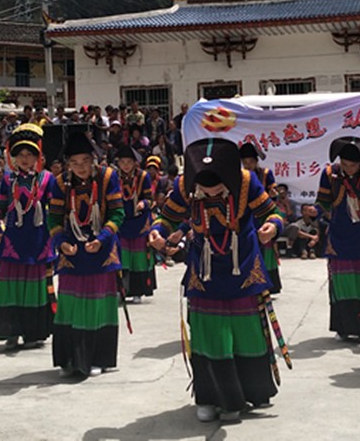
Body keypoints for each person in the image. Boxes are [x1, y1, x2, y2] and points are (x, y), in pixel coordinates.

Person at [149, 137, 285, 423]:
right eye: (205, 189)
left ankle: (249, 392)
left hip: (243, 267)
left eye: (217, 188)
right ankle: (211, 398)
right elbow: (167, 218)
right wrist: (158, 232)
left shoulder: (246, 182)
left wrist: (272, 227)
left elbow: (272, 213)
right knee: (209, 333)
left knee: (246, 332)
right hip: (204, 271)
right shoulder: (185, 185)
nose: (211, 193)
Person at [48, 131, 125, 378]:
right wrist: (61, 243)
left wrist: (102, 239)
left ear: (93, 160)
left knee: (98, 304)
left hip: (102, 250)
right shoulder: (60, 183)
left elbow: (118, 213)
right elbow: (53, 218)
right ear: (67, 164)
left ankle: (98, 358)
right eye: (74, 162)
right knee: (69, 305)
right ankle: (69, 359)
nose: (80, 167)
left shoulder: (108, 177)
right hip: (71, 252)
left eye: (85, 161)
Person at [0, 123, 61, 350]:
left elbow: (56, 208)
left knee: (35, 286)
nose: (24, 159)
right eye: (20, 154)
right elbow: (0, 207)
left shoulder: (47, 179)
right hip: (13, 240)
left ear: (37, 157)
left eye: (29, 154)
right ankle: (11, 332)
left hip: (39, 240)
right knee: (11, 286)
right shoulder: (8, 180)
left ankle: (33, 332)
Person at [315, 136, 360, 340]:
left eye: (353, 165)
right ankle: (344, 327)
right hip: (340, 235)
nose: (348, 169)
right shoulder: (330, 174)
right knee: (342, 282)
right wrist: (314, 211)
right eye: (344, 164)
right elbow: (323, 202)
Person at [239, 142, 282, 294]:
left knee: (266, 249)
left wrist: (273, 195)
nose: (248, 165)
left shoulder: (265, 174)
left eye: (251, 162)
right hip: (247, 217)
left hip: (263, 215)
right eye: (245, 162)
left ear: (256, 161)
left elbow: (273, 193)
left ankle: (269, 285)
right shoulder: (240, 177)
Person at [115, 145, 156, 303]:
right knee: (123, 257)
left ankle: (138, 291)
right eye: (123, 162)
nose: (126, 165)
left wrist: (143, 204)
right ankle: (122, 291)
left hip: (139, 221)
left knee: (139, 258)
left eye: (129, 162)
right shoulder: (114, 177)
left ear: (135, 163)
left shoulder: (143, 176)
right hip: (122, 221)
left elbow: (150, 199)